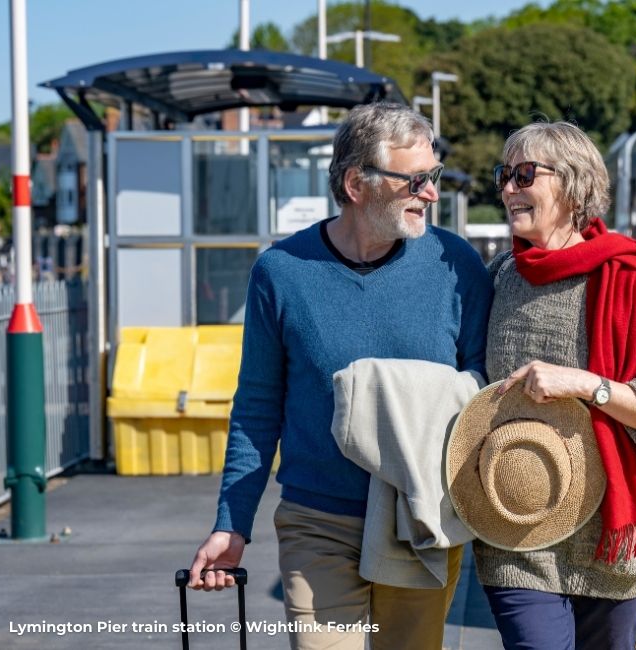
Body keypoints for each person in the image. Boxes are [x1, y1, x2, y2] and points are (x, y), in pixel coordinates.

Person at [187, 101, 492, 649]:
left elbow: (484, 394)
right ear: (356, 183)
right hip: (318, 522)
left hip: (423, 518)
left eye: (434, 176)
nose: (431, 193)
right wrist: (231, 524)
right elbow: (258, 406)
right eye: (416, 180)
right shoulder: (281, 273)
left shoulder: (457, 266)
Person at [479, 121, 636, 649]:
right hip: (516, 531)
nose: (509, 188)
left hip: (612, 538)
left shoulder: (630, 280)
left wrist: (584, 384)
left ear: (573, 185)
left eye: (525, 174)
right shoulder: (497, 278)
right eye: (504, 175)